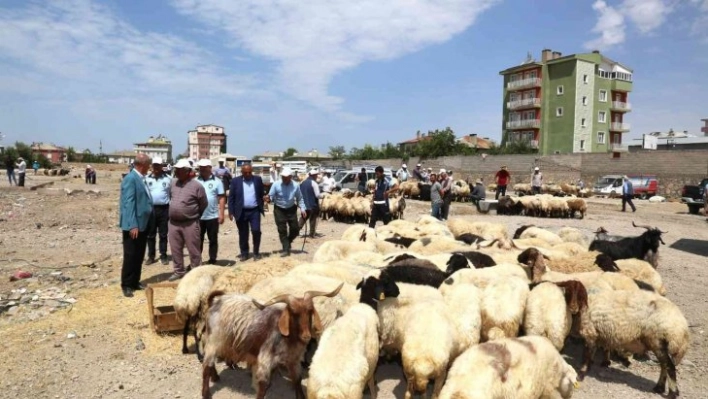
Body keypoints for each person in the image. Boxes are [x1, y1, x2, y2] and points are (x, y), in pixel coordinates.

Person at [118, 153, 153, 298]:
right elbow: (128, 203)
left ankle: (135, 281)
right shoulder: (131, 178)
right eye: (148, 165)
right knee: (131, 255)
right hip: (134, 224)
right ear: (142, 165)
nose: (149, 167)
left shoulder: (140, 178)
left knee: (139, 254)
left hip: (142, 223)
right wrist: (132, 225)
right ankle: (126, 284)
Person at [167, 159, 208, 281]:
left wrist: (192, 214)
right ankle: (179, 271)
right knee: (175, 249)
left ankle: (196, 273)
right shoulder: (173, 183)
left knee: (193, 250)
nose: (177, 172)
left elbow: (203, 203)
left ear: (187, 171)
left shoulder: (197, 186)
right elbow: (171, 198)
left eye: (180, 170)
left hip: (190, 223)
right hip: (174, 223)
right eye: (176, 170)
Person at [266, 167, 306, 257]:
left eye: (286, 177)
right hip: (279, 209)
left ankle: (288, 241)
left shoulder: (295, 185)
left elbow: (300, 198)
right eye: (283, 177)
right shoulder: (276, 184)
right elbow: (271, 196)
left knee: (295, 229)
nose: (284, 178)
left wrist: (303, 209)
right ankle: (286, 249)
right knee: (282, 230)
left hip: (291, 208)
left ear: (290, 177)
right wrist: (268, 198)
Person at [229, 163, 265, 261]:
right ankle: (244, 253)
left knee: (256, 231)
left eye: (250, 172)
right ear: (242, 172)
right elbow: (231, 197)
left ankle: (256, 253)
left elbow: (261, 194)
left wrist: (264, 201)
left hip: (255, 211)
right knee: (243, 233)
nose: (248, 174)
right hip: (241, 212)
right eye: (246, 173)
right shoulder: (235, 181)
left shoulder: (257, 180)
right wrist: (231, 211)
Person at [196, 159, 226, 265]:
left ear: (210, 168)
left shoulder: (217, 181)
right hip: (198, 216)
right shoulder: (195, 181)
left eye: (205, 167)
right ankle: (196, 261)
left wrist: (221, 213)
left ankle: (212, 260)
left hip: (212, 216)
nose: (202, 169)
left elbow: (221, 198)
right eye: (201, 167)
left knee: (213, 239)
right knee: (197, 240)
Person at [145, 157, 171, 265]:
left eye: (158, 165)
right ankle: (151, 256)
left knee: (163, 234)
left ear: (161, 166)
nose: (156, 167)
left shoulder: (168, 179)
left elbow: (171, 194)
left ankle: (163, 255)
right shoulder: (146, 179)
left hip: (164, 209)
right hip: (151, 209)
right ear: (152, 166)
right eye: (154, 165)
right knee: (150, 234)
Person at [299, 169, 325, 238]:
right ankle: (312, 234)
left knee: (303, 218)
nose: (317, 176)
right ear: (314, 175)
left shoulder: (303, 182)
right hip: (312, 204)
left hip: (304, 204)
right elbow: (317, 195)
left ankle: (295, 231)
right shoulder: (314, 183)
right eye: (316, 175)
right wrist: (323, 196)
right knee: (313, 219)